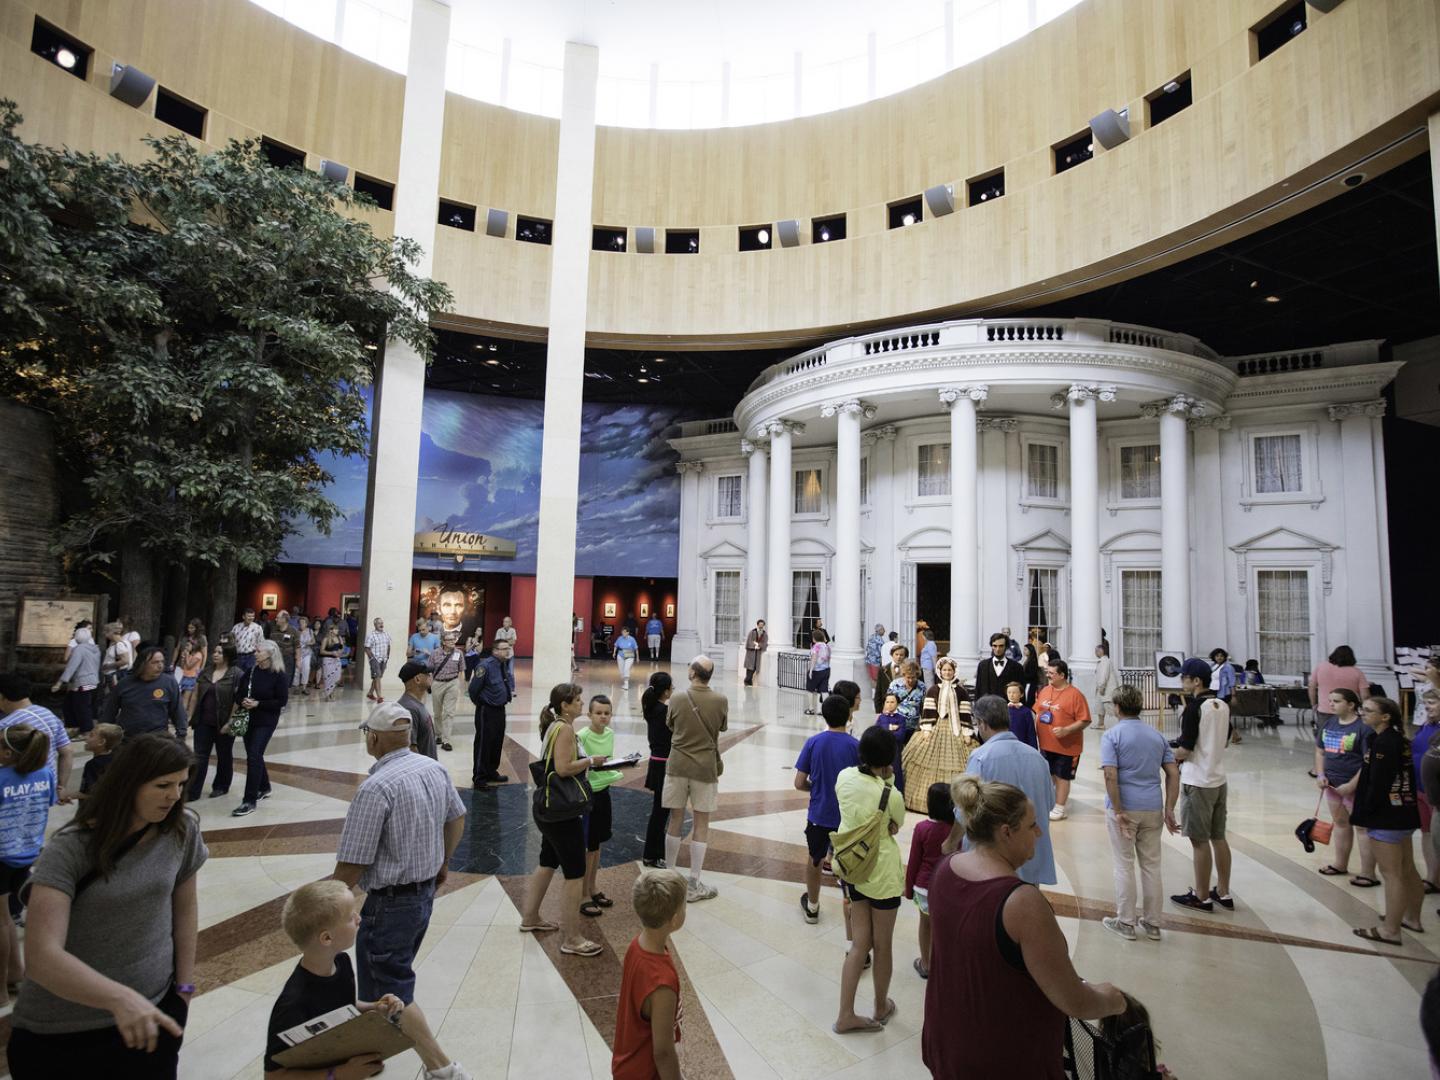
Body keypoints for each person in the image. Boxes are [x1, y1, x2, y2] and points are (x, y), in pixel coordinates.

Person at [8, 734, 205, 1079]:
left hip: (152, 1015)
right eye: (162, 785)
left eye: (180, 784)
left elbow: (185, 910)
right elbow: (41, 958)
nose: (173, 796)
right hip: (63, 1031)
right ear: (129, 783)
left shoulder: (182, 830)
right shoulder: (71, 849)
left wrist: (184, 990)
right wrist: (119, 999)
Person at [922, 776, 1127, 1077]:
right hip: (1003, 1058)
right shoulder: (1021, 903)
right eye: (1032, 826)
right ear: (1007, 832)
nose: (1040, 832)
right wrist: (1113, 1000)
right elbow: (1073, 999)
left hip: (948, 1041)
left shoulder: (944, 870)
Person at [264, 879, 472, 1080]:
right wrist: (338, 1075)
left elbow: (339, 1007)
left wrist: (374, 1007)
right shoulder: (293, 1004)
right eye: (349, 916)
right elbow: (273, 1076)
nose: (359, 918)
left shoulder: (341, 962)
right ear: (326, 938)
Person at [333, 702, 467, 999]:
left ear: (374, 738)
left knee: (384, 993)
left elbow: (353, 864)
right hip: (423, 897)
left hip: (388, 906)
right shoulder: (434, 768)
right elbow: (457, 817)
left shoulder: (376, 787)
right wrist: (443, 862)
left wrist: (324, 904)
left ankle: (402, 1041)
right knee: (398, 972)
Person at [519, 684, 605, 958]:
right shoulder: (565, 729)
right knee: (574, 873)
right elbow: (563, 768)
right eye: (577, 701)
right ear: (565, 705)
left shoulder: (553, 726)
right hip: (561, 811)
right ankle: (573, 938)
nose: (582, 704)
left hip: (547, 808)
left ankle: (530, 917)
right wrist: (591, 760)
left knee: (547, 861)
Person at [832, 725, 905, 1034]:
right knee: (883, 944)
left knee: (860, 943)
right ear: (890, 758)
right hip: (883, 874)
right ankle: (879, 1005)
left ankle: (845, 1014)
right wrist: (888, 780)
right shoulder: (891, 795)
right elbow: (896, 824)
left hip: (855, 871)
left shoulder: (844, 778)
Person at [1100, 685, 1180, 941]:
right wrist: (1169, 808)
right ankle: (1153, 923)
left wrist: (1119, 809)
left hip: (1125, 807)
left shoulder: (1112, 736)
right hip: (1152, 806)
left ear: (1117, 707)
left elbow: (1110, 775)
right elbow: (1173, 773)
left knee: (1124, 864)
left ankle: (1125, 921)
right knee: (1152, 865)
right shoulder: (1156, 736)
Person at [1349, 697, 1424, 944]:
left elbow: (1378, 784)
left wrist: (1366, 812)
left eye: (1369, 711)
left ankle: (1390, 930)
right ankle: (1412, 917)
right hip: (1403, 811)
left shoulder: (1384, 744)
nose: (1363, 713)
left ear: (1385, 717)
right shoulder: (1394, 740)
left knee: (1392, 873)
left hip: (1387, 816)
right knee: (1407, 869)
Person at [1170, 658, 1234, 913]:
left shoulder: (1194, 707)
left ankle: (1201, 895)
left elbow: (1185, 749)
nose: (1181, 682)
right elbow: (1226, 741)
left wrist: (1170, 755)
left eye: (1184, 677)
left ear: (1196, 681)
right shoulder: (1222, 705)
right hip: (1218, 779)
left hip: (1197, 781)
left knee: (1199, 841)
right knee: (1218, 837)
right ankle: (1224, 891)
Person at [612, 869, 688, 1080]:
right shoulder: (663, 984)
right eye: (684, 905)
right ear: (673, 920)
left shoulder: (637, 946)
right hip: (645, 1073)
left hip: (628, 1064)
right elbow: (662, 1052)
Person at [663, 656, 728, 902]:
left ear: (692, 672)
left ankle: (669, 875)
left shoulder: (677, 698)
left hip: (677, 765)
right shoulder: (720, 700)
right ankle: (693, 882)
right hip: (705, 768)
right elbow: (721, 727)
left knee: (675, 819)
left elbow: (671, 724)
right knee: (701, 823)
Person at [0, 724, 55, 1006]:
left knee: (2, 921)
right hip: (28, 852)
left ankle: (1, 991)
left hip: (1, 855)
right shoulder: (45, 774)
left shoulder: (1, 777)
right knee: (9, 915)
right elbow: (45, 805)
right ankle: (16, 972)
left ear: (8, 752)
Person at [794, 694, 861, 924]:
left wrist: (816, 788)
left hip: (819, 813)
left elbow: (799, 782)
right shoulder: (855, 746)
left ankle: (812, 906)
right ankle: (852, 908)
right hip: (847, 817)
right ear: (848, 715)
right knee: (848, 862)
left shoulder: (813, 742)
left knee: (815, 858)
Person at [1314, 688, 1379, 887]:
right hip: (1333, 784)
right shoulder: (1329, 723)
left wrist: (1352, 784)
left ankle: (1368, 873)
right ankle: (1340, 863)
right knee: (1340, 823)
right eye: (1330, 700)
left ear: (1351, 705)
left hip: (1356, 785)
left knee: (1362, 827)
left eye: (1337, 701)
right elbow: (1320, 751)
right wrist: (1321, 774)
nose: (1332, 704)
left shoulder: (1363, 728)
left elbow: (1368, 760)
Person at [902, 656, 975, 814]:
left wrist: (966, 731)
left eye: (950, 670)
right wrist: (926, 728)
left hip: (955, 729)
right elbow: (928, 710)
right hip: (936, 726)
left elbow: (965, 712)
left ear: (954, 671)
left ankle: (958, 802)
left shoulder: (961, 691)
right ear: (939, 671)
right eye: (944, 670)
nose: (947, 672)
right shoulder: (933, 689)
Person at [230, 640, 289, 818]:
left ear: (269, 654)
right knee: (254, 754)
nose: (255, 653)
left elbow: (281, 701)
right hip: (249, 718)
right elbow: (238, 693)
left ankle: (249, 800)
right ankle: (264, 787)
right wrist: (244, 701)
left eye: (258, 651)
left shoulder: (279, 675)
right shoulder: (252, 671)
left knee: (254, 754)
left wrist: (258, 704)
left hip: (266, 719)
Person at [577, 695, 622, 917]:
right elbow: (580, 766)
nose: (603, 717)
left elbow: (607, 762)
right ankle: (583, 893)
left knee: (597, 845)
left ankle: (593, 887)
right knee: (588, 847)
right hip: (588, 797)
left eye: (607, 713)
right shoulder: (582, 736)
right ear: (589, 715)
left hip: (604, 793)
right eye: (598, 713)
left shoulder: (611, 734)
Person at [905, 782, 953, 980]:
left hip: (924, 886)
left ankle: (926, 963)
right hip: (948, 886)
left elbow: (914, 861)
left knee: (925, 924)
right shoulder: (956, 830)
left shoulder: (922, 828)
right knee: (944, 926)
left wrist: (908, 889)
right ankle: (945, 962)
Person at [0, 673, 75, 796]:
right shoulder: (48, 715)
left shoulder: (6, 725)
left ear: (2, 697)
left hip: (14, 791)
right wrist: (61, 787)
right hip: (45, 787)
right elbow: (67, 751)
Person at [1034, 659, 1090, 821]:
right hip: (1045, 744)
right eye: (1047, 672)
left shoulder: (1075, 695)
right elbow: (1037, 710)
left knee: (1062, 777)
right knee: (1048, 775)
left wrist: (1067, 730)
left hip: (1067, 747)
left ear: (1062, 675)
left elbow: (1085, 720)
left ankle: (1060, 808)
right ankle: (1051, 802)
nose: (1048, 675)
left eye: (1051, 673)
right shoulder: (1045, 690)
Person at [98, 646, 188, 740]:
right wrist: (102, 734)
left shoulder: (169, 683)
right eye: (155, 662)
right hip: (128, 739)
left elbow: (178, 711)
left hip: (158, 740)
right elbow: (110, 711)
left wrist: (181, 735)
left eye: (162, 662)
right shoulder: (125, 684)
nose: (160, 665)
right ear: (143, 664)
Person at [189, 644, 240, 801]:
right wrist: (191, 716)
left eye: (220, 652)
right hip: (203, 720)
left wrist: (231, 721)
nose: (215, 654)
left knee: (224, 755)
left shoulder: (236, 674)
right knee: (199, 756)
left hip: (224, 722)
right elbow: (196, 694)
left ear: (228, 655)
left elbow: (237, 701)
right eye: (215, 651)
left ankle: (221, 786)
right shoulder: (206, 672)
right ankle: (193, 790)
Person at [468, 639, 515, 788]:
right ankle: (479, 777)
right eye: (504, 648)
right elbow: (473, 690)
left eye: (508, 648)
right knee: (484, 743)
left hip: (500, 709)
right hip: (486, 710)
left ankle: (491, 771)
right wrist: (482, 703)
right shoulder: (485, 666)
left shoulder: (502, 664)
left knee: (496, 741)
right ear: (495, 651)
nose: (507, 651)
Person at [641, 672, 675, 868]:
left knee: (659, 811)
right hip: (663, 764)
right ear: (666, 690)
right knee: (660, 813)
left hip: (656, 762)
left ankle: (654, 853)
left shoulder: (652, 708)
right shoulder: (664, 711)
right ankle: (652, 855)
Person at [1413, 688, 1440, 893]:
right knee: (1427, 834)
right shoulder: (1426, 726)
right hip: (1421, 789)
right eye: (1426, 703)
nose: (1427, 707)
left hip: (1436, 795)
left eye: (1432, 703)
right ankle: (1432, 877)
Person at [53, 626, 102, 734]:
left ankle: (86, 730)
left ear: (76, 638)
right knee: (71, 704)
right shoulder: (96, 649)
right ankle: (74, 727)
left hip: (82, 682)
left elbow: (72, 666)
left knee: (82, 707)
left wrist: (60, 682)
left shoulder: (79, 649)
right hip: (93, 681)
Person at [1309, 644, 1371, 727]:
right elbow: (1365, 695)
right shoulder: (1357, 672)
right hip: (1348, 711)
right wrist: (1366, 709)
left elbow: (1311, 687)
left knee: (1325, 736)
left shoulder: (1321, 667)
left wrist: (1314, 704)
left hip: (1325, 709)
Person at [426, 630, 464, 753]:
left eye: (454, 639)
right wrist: (430, 684)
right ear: (443, 642)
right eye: (450, 639)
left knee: (449, 712)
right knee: (437, 712)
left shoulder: (459, 653)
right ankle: (438, 735)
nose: (453, 641)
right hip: (438, 683)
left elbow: (461, 670)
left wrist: (460, 685)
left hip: (452, 683)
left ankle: (446, 740)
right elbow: (429, 671)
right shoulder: (435, 654)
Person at [396, 661, 438, 760]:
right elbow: (410, 748)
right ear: (417, 679)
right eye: (428, 674)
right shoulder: (409, 708)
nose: (431, 676)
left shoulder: (415, 704)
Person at [73, 723, 123, 799]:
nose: (86, 738)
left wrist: (67, 795)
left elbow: (91, 794)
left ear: (101, 742)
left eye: (91, 735)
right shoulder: (117, 760)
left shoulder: (93, 765)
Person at [975, 632, 1025, 700]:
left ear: (1006, 647)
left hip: (1008, 708)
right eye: (994, 646)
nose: (998, 649)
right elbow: (978, 690)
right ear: (991, 646)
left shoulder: (1017, 667)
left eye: (1001, 646)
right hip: (987, 707)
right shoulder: (982, 666)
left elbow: (1021, 692)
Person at [874, 692, 907, 792]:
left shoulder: (901, 718)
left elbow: (900, 736)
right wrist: (891, 728)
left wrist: (885, 730)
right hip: (881, 750)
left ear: (897, 703)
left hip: (895, 751)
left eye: (892, 702)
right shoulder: (881, 718)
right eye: (887, 702)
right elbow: (876, 733)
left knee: (896, 773)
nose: (889, 704)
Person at [873, 643, 909, 713]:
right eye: (896, 654)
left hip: (904, 707)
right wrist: (878, 710)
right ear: (892, 655)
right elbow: (878, 691)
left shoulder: (909, 670)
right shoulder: (883, 670)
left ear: (905, 656)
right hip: (887, 706)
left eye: (901, 655)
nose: (899, 657)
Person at [100, 622, 133, 694]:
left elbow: (125, 660)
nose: (105, 636)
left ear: (111, 632)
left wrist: (108, 666)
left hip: (114, 676)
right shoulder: (126, 642)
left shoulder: (119, 645)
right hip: (118, 674)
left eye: (106, 633)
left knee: (113, 697)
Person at [364, 617, 392, 704]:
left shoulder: (386, 634)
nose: (381, 624)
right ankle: (380, 697)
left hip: (384, 659)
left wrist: (387, 656)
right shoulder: (371, 635)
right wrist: (372, 658)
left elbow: (388, 646)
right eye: (379, 623)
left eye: (382, 623)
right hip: (375, 659)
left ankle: (370, 693)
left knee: (378, 677)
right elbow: (367, 648)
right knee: (377, 677)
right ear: (375, 625)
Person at [805, 628, 832, 714]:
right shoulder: (827, 646)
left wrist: (811, 670)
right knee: (824, 690)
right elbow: (829, 658)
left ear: (814, 638)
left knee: (810, 689)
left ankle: (811, 709)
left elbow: (814, 658)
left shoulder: (816, 646)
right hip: (826, 670)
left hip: (816, 671)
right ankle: (825, 710)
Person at [270, 612, 300, 689]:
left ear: (284, 619)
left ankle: (283, 697)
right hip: (275, 658)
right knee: (275, 679)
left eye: (277, 618)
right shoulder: (273, 630)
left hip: (288, 659)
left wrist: (298, 660)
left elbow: (297, 647)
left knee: (286, 680)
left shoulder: (293, 631)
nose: (275, 619)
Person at [1004, 681, 1037, 748]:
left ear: (1021, 694)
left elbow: (1031, 733)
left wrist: (1033, 749)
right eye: (1009, 692)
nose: (1011, 695)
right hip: (1006, 745)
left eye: (1014, 692)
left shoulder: (1026, 712)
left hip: (1022, 745)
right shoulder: (1003, 710)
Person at [1093, 642, 1117, 730]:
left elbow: (1104, 676)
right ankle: (1100, 724)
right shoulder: (1101, 661)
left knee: (1110, 707)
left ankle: (1123, 723)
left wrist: (1102, 687)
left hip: (1105, 689)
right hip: (1101, 688)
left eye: (1096, 651)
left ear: (1101, 651)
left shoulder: (1105, 661)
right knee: (1099, 707)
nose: (1095, 653)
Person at [232, 608, 265, 673]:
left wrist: (259, 657)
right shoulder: (236, 627)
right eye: (249, 616)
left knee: (249, 675)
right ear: (243, 616)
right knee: (237, 675)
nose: (251, 618)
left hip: (251, 656)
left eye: (253, 616)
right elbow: (232, 641)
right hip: (238, 656)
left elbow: (261, 643)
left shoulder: (257, 628)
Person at [318, 624, 345, 701]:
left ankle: (331, 692)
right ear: (331, 630)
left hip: (336, 660)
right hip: (327, 660)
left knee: (337, 677)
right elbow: (321, 651)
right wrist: (331, 653)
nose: (337, 630)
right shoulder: (326, 639)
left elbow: (341, 648)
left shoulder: (339, 638)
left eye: (337, 629)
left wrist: (340, 652)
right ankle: (328, 695)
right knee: (328, 678)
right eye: (335, 629)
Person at [613, 626, 640, 691]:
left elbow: (636, 649)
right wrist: (614, 653)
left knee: (626, 669)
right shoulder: (619, 638)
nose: (623, 633)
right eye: (622, 632)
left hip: (629, 655)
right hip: (620, 655)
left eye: (625, 632)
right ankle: (624, 680)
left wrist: (637, 657)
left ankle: (626, 684)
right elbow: (615, 646)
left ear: (628, 632)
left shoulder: (632, 639)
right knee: (621, 671)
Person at [1022, 641, 1041, 707]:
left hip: (1030, 684)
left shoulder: (1032, 661)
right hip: (1027, 683)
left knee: (1028, 700)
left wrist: (1022, 674)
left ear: (1030, 650)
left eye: (1025, 649)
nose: (1024, 651)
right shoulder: (1028, 660)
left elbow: (1032, 675)